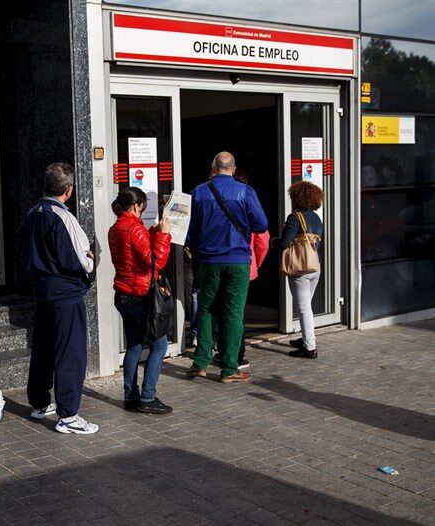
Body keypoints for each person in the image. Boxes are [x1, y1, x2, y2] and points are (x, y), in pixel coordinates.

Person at [22, 162, 98, 434]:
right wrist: (91, 261)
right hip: (65, 293)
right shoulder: (64, 218)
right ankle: (68, 415)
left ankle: (39, 403)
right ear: (68, 190)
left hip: (42, 291)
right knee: (70, 352)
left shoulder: (32, 214)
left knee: (42, 349)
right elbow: (82, 260)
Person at [185, 152, 268, 383]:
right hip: (238, 260)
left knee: (206, 309)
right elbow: (261, 224)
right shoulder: (246, 192)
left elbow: (190, 230)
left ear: (213, 168)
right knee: (233, 312)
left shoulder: (199, 192)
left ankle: (200, 363)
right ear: (233, 168)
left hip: (209, 260)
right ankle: (229, 369)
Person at [107, 186, 173, 414]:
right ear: (136, 206)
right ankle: (147, 396)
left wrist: (153, 232)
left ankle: (130, 396)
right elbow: (155, 261)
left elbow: (136, 253)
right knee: (160, 345)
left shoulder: (116, 228)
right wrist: (163, 235)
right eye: (143, 207)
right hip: (139, 294)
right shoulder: (134, 228)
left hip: (123, 293)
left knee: (134, 345)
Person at [272, 181, 324, 359]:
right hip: (314, 267)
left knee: (304, 309)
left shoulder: (295, 217)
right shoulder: (317, 218)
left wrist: (274, 242)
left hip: (300, 269)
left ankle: (309, 347)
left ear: (297, 197)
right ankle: (305, 339)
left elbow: (285, 242)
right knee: (306, 307)